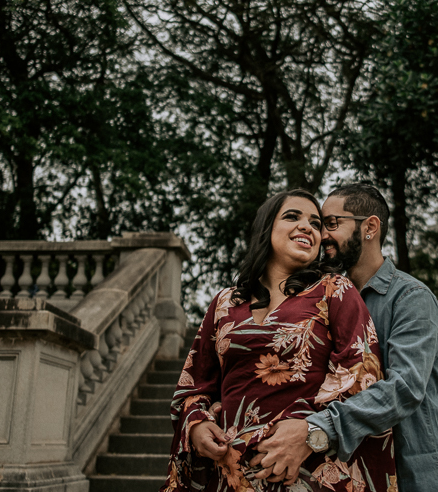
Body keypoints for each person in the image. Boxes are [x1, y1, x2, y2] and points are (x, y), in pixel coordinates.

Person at [161, 189, 398, 492]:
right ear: (266, 227)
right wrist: (196, 426)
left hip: (308, 470)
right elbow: (194, 385)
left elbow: (362, 376)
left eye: (315, 223)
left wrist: (308, 433)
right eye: (292, 216)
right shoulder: (224, 303)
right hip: (232, 475)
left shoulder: (334, 291)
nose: (308, 227)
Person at [251, 183, 438, 492]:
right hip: (354, 477)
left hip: (414, 476)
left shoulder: (411, 298)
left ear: (370, 227)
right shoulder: (325, 300)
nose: (321, 235)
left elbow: (404, 388)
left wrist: (315, 429)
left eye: (331, 224)